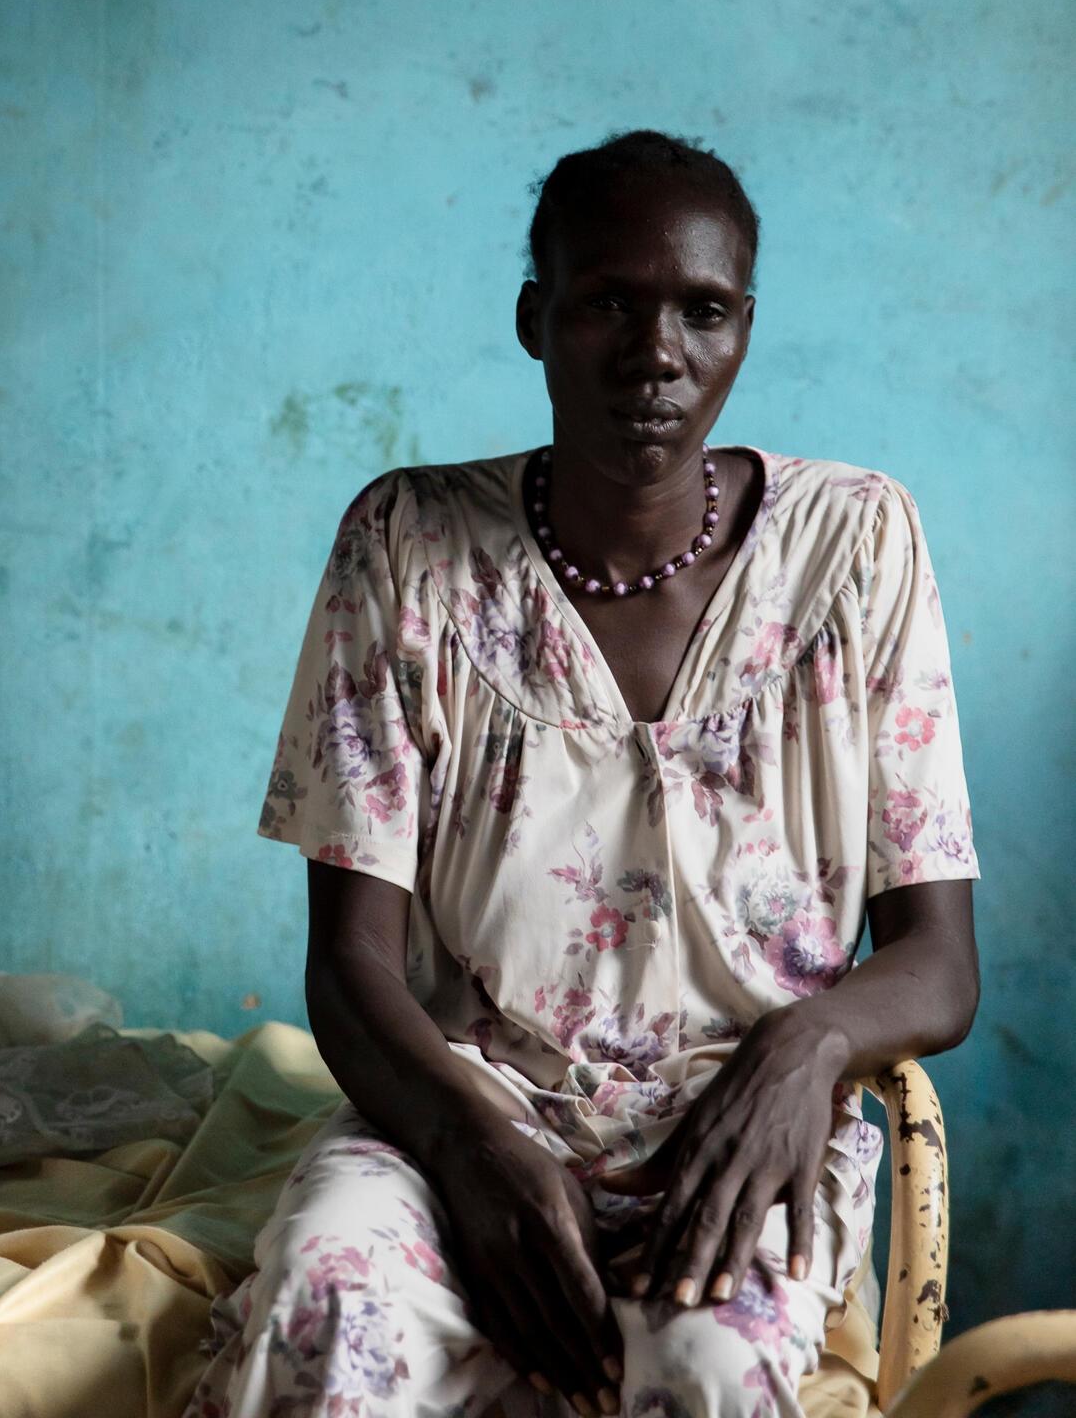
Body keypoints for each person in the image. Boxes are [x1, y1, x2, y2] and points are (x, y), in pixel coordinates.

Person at [185, 129, 980, 1418]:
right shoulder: (410, 546)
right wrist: (467, 1147)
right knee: (329, 1313)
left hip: (736, 1134)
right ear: (533, 319)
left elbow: (940, 964)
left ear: (744, 330)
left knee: (707, 1368)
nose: (657, 352)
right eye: (609, 300)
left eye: (703, 311)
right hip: (464, 1114)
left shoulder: (858, 547)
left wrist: (804, 1047)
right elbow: (351, 967)